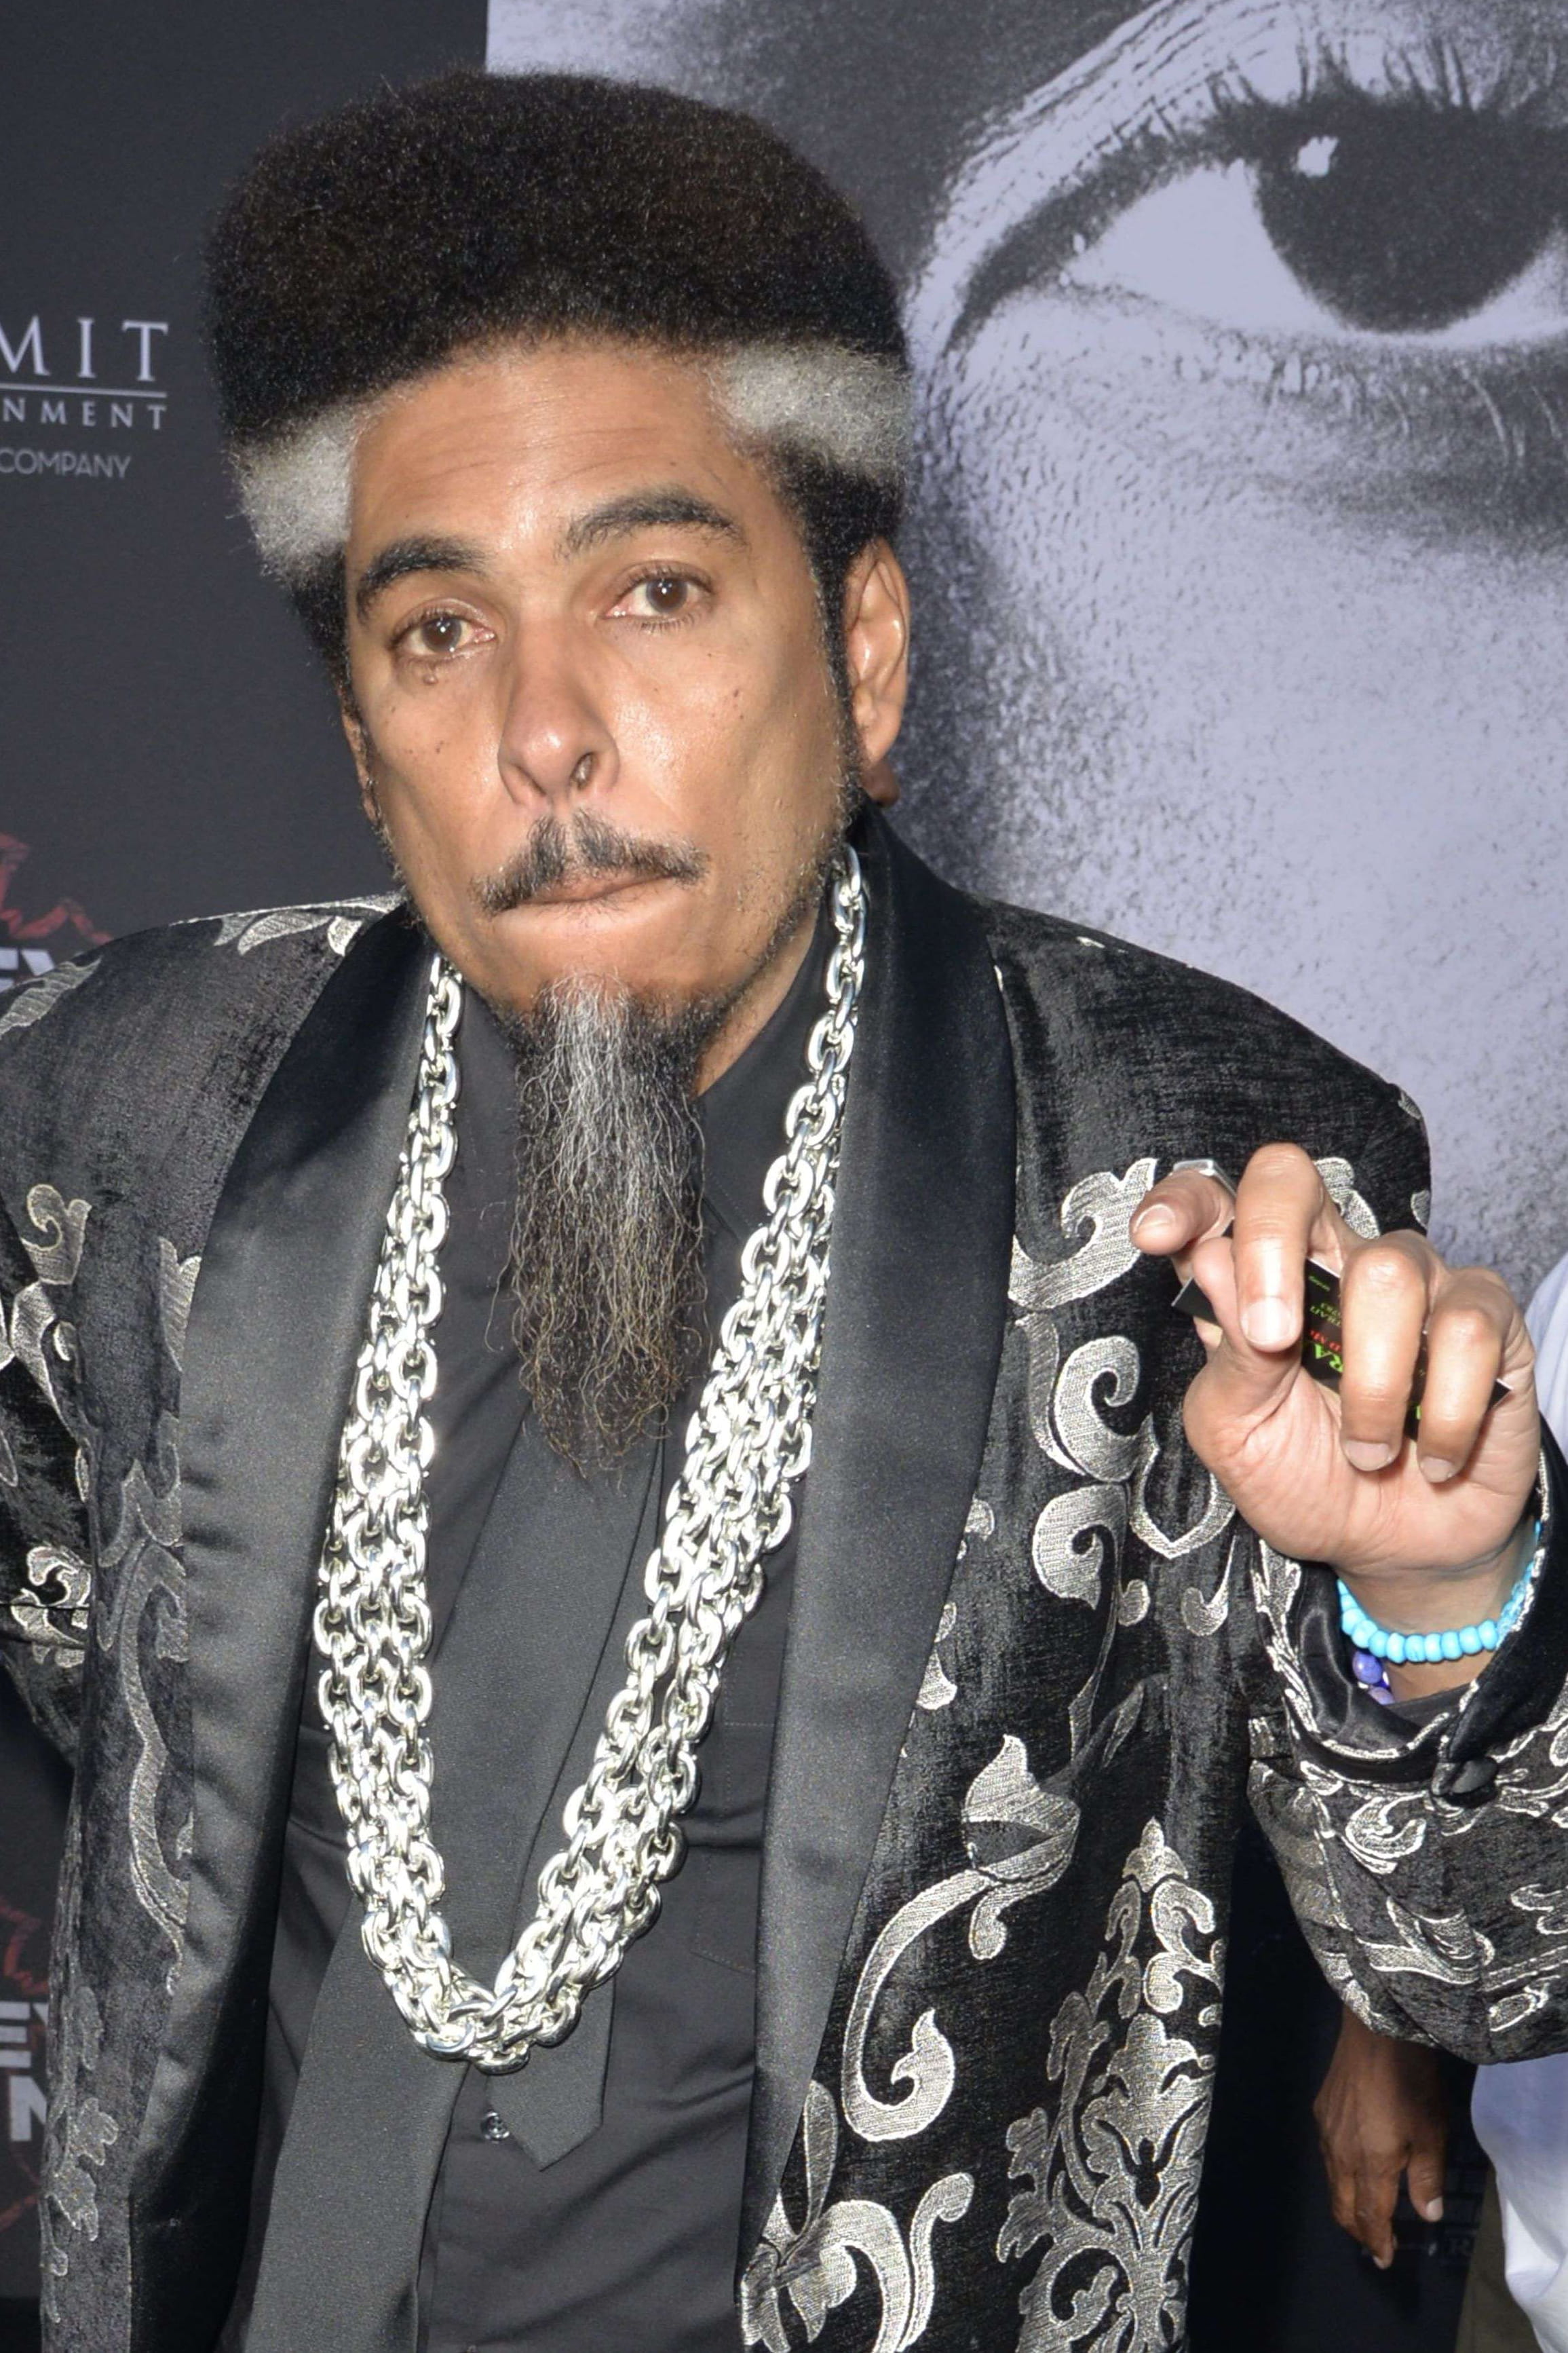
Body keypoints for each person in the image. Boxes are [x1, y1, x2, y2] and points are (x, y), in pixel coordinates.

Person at [2, 68, 1567, 2353]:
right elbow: (88, 1634)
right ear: (362, 748)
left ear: (865, 655)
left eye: (653, 592)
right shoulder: (128, 1105)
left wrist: (1433, 1593)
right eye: (437, 631)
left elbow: (1491, 1963)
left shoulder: (1198, 1171)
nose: (547, 728)